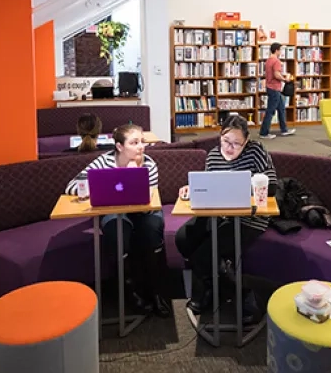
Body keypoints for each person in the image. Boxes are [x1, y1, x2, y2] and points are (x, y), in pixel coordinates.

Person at [175, 115, 277, 324]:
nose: (230, 148)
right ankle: (214, 286)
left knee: (205, 254)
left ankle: (242, 294)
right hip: (216, 214)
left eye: (237, 143)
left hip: (250, 218)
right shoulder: (213, 155)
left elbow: (271, 187)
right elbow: (206, 185)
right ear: (220, 136)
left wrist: (242, 188)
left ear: (246, 141)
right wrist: (192, 189)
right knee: (183, 239)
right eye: (226, 141)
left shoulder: (256, 151)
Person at [65, 123, 171, 317]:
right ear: (120, 147)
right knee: (117, 230)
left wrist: (133, 174)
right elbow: (72, 186)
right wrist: (87, 189)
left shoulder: (149, 164)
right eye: (134, 143)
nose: (141, 147)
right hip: (113, 210)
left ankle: (157, 291)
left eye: (142, 142)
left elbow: (152, 198)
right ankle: (130, 291)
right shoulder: (103, 162)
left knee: (153, 227)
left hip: (143, 211)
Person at [259, 42, 296, 139]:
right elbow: (276, 74)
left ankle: (284, 129)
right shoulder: (276, 61)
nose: (281, 52)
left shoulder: (268, 61)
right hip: (275, 88)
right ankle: (264, 133)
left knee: (281, 109)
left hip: (271, 87)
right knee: (270, 111)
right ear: (276, 50)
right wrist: (285, 79)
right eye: (280, 50)